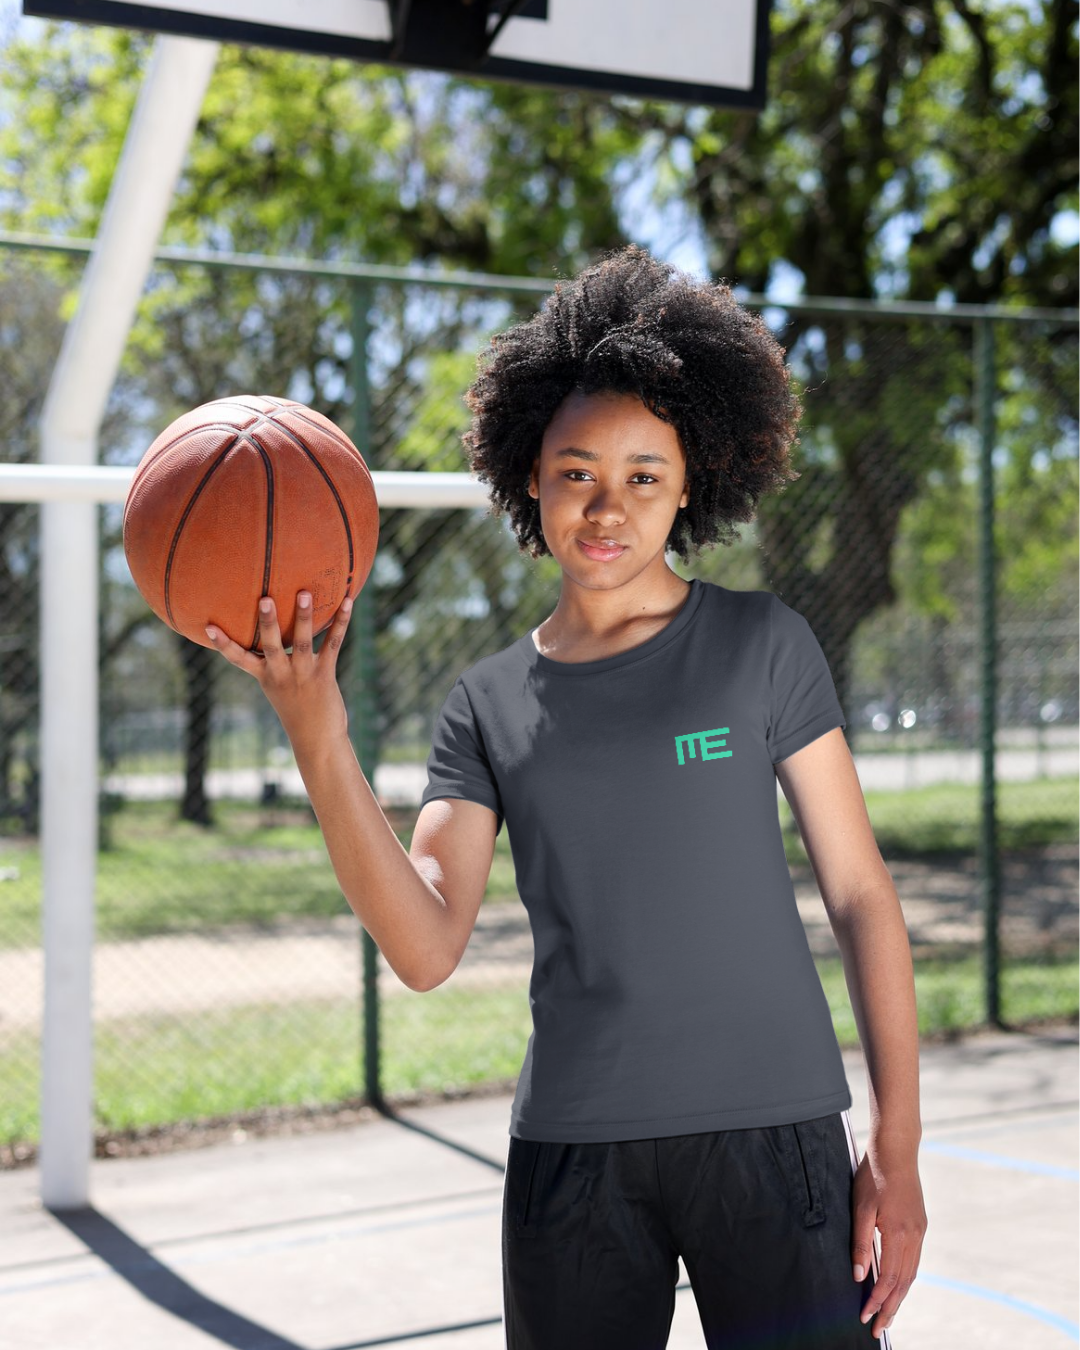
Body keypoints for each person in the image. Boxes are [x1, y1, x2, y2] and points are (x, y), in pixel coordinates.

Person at [206, 244, 927, 1349]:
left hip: (777, 1137)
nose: (607, 505)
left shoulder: (761, 646)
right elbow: (425, 946)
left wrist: (902, 1150)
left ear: (693, 483)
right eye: (577, 470)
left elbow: (865, 899)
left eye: (645, 474)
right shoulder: (487, 702)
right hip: (576, 1158)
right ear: (528, 475)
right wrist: (318, 734)